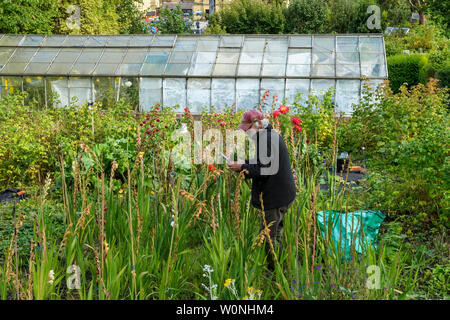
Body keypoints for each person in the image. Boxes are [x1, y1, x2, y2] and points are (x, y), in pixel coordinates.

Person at [227, 110, 297, 272]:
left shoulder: (266, 139)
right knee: (273, 235)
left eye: (247, 128)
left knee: (268, 239)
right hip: (282, 193)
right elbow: (261, 161)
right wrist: (243, 163)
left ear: (257, 124)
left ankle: (276, 273)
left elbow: (266, 169)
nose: (245, 132)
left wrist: (242, 167)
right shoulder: (265, 135)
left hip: (275, 196)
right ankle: (277, 268)